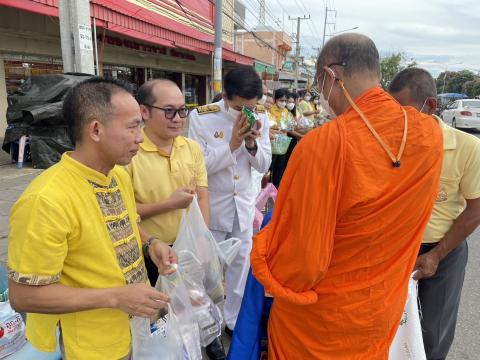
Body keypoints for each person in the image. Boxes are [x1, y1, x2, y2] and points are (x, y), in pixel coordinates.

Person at [250, 33, 443, 359]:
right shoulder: (429, 134)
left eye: (320, 88)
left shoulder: (324, 144)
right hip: (382, 308)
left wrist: (263, 246)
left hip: (320, 322)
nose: (323, 98)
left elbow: (298, 262)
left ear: (331, 75)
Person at [7, 78, 177, 360]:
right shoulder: (45, 200)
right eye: (133, 126)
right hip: (94, 346)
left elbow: (125, 224)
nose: (140, 137)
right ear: (96, 130)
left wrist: (151, 244)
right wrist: (116, 297)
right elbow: (24, 296)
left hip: (136, 329)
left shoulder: (117, 174)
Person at [389, 67, 480, 360]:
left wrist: (437, 254)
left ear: (430, 106)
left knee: (431, 334)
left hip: (443, 252)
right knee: (388, 328)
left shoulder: (467, 147)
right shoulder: (391, 143)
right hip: (395, 251)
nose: (397, 119)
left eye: (405, 110)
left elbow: (475, 208)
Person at [130, 80, 223, 360]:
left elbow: (202, 197)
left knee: (196, 301)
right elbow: (124, 213)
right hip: (151, 249)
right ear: (144, 112)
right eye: (169, 111)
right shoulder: (131, 153)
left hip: (189, 246)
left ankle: (207, 342)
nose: (178, 119)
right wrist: (169, 204)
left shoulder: (190, 148)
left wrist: (202, 238)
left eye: (183, 111)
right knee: (160, 312)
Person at [188, 66, 271, 336]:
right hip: (213, 205)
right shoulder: (201, 118)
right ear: (224, 96)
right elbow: (198, 168)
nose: (245, 112)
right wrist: (233, 144)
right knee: (208, 269)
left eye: (251, 106)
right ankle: (206, 322)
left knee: (240, 267)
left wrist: (251, 145)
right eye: (238, 107)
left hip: (243, 205)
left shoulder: (261, 116)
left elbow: (264, 163)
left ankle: (232, 321)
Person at [268, 88, 292, 188]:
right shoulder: (271, 109)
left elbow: (288, 124)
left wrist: (289, 125)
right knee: (271, 166)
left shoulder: (286, 110)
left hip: (283, 142)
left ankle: (277, 186)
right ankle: (269, 186)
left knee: (280, 165)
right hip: (273, 141)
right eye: (281, 100)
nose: (284, 103)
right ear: (276, 100)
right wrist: (279, 127)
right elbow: (270, 125)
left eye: (285, 101)